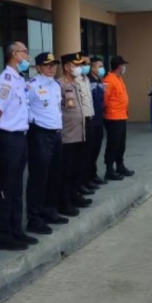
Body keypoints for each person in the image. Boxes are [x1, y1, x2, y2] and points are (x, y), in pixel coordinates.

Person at [0, 41, 36, 251]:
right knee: (6, 189)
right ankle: (4, 236)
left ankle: (16, 230)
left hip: (20, 137)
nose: (28, 57)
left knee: (17, 187)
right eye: (26, 52)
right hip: (7, 139)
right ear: (15, 54)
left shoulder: (18, 79)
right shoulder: (5, 82)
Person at [26, 53, 69, 235]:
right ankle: (34, 218)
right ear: (38, 68)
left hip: (56, 133)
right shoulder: (31, 86)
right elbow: (25, 110)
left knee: (54, 174)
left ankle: (50, 210)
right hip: (40, 134)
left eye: (54, 64)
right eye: (47, 65)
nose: (52, 68)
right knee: (39, 177)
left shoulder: (56, 85)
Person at [58, 52, 90, 216]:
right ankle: (65, 202)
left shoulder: (77, 84)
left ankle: (74, 196)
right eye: (75, 65)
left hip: (80, 133)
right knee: (66, 171)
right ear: (67, 67)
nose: (78, 68)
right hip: (67, 136)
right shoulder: (60, 85)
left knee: (77, 168)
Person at [103, 55, 134, 180]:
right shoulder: (109, 80)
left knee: (121, 144)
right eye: (123, 65)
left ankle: (120, 165)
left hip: (121, 116)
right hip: (113, 117)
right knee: (113, 144)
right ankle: (109, 169)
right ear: (119, 66)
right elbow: (104, 99)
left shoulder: (118, 78)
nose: (124, 67)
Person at [75, 55, 98, 196]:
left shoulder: (86, 79)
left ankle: (87, 179)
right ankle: (80, 183)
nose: (87, 66)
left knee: (89, 153)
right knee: (80, 156)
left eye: (88, 64)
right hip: (80, 121)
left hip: (90, 119)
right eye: (84, 63)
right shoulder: (75, 81)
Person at [85, 57, 107, 186]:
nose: (101, 69)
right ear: (92, 68)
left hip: (99, 119)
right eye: (99, 66)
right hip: (92, 121)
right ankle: (88, 177)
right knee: (90, 151)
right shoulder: (89, 81)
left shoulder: (100, 81)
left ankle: (93, 174)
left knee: (97, 149)